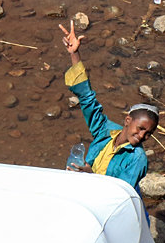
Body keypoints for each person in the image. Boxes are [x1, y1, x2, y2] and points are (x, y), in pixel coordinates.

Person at [59, 20, 159, 192]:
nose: (142, 136)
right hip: (84, 184)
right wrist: (74, 54)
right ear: (128, 120)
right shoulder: (105, 131)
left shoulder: (137, 159)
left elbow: (120, 194)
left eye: (148, 133)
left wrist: (91, 175)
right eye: (141, 128)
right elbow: (87, 98)